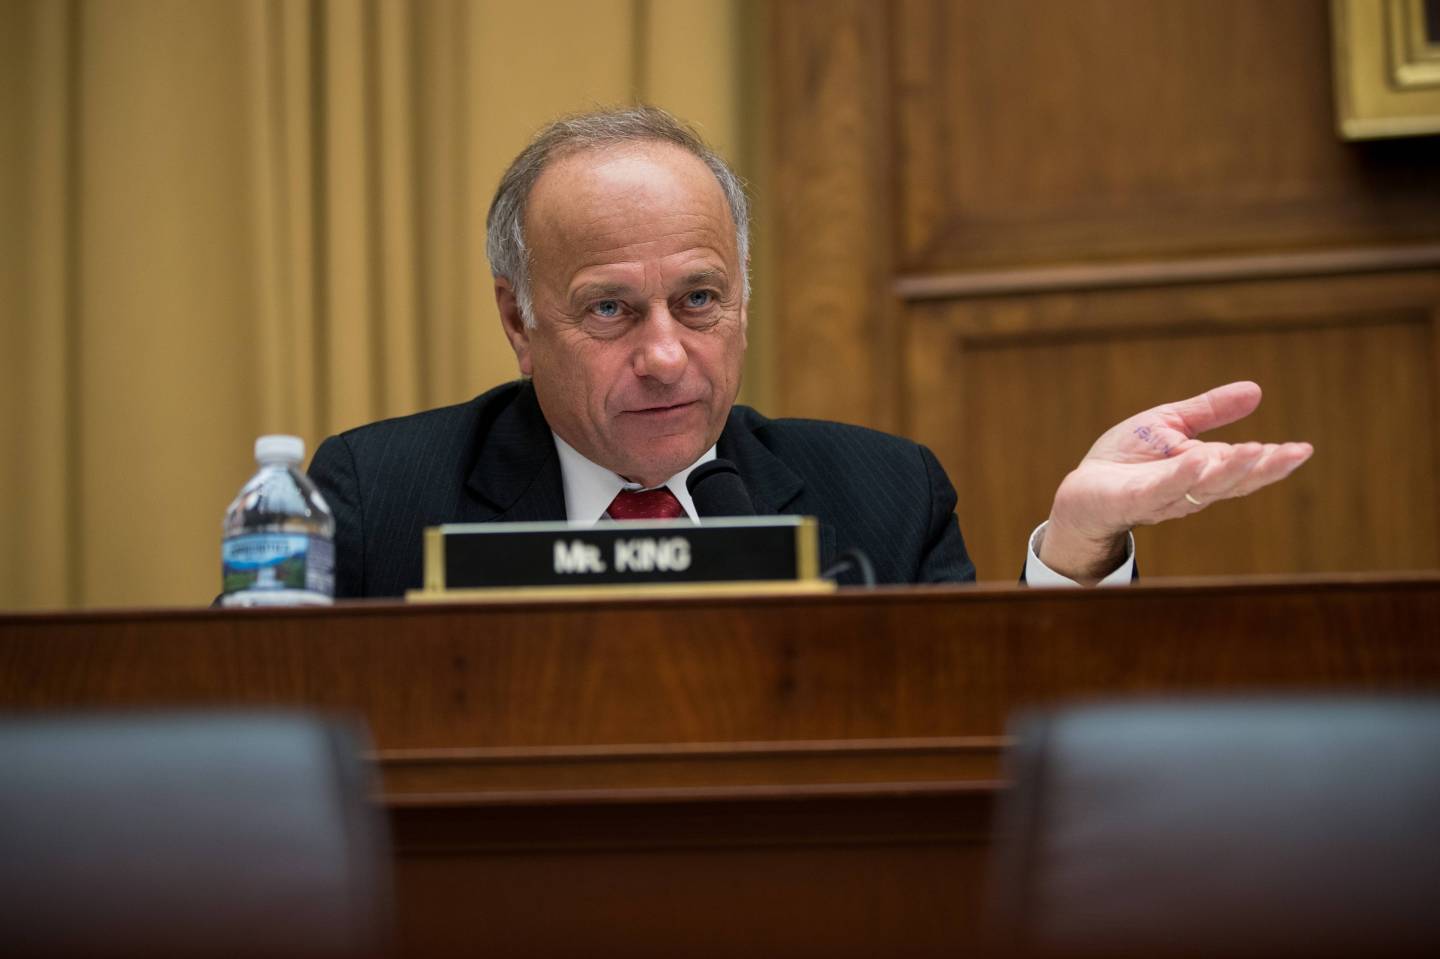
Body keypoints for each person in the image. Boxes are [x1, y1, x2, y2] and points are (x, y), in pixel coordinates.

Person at [308, 106, 1312, 598]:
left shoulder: (880, 497)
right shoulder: (379, 496)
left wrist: (1076, 551)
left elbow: (992, 741)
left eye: (699, 300)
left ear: (745, 296)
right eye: (611, 310)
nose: (666, 356)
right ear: (519, 321)